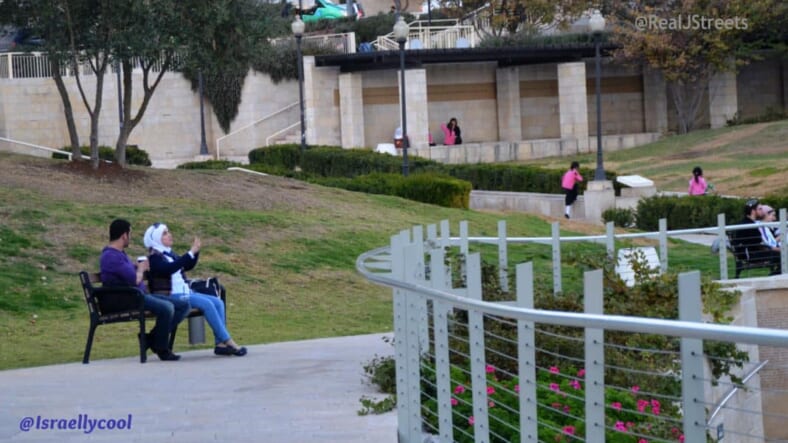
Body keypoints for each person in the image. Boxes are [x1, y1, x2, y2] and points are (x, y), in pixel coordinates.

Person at [144, 223, 248, 357]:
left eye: (168, 232)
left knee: (217, 302)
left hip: (185, 293)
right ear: (156, 238)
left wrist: (195, 252)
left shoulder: (169, 254)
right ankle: (229, 341)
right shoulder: (154, 257)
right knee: (207, 304)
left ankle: (220, 344)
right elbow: (169, 269)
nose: (169, 235)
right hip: (172, 296)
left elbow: (186, 265)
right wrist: (189, 253)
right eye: (164, 233)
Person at [99, 219, 190, 361]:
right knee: (167, 308)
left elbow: (128, 274)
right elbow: (134, 280)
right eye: (130, 233)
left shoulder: (119, 254)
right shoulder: (111, 256)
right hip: (126, 299)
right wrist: (140, 269)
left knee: (183, 306)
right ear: (124, 235)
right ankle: (161, 348)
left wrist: (136, 266)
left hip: (136, 296)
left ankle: (151, 340)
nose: (130, 237)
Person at [731, 199, 781, 275]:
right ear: (753, 211)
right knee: (780, 255)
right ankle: (774, 276)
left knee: (781, 254)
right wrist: (778, 249)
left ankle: (775, 275)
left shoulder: (748, 223)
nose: (762, 211)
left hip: (750, 253)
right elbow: (760, 245)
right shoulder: (750, 225)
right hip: (751, 255)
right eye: (760, 209)